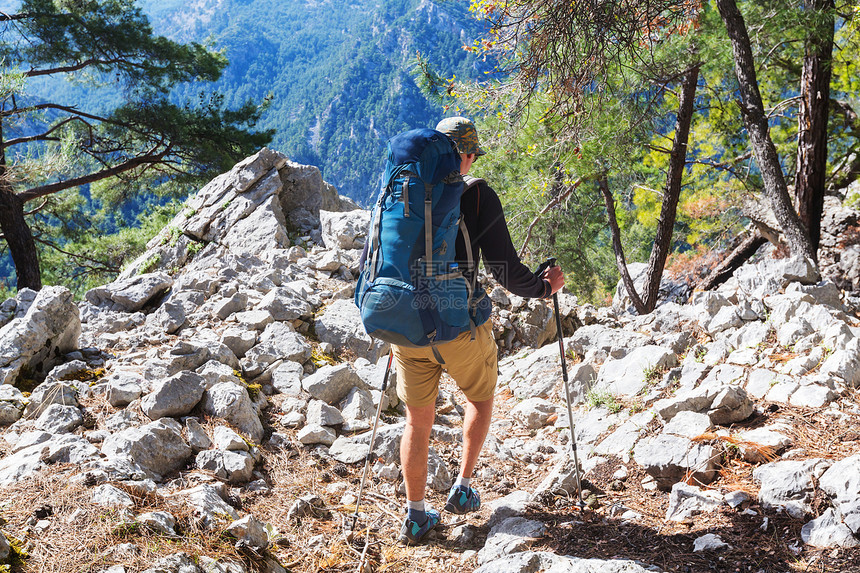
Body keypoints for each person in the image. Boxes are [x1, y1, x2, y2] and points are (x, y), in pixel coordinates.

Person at [396, 117, 564, 544]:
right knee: (480, 396)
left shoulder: (401, 189)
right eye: (471, 155)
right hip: (458, 324)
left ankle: (416, 515)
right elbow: (505, 269)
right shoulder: (476, 195)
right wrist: (544, 287)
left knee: (417, 420)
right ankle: (463, 488)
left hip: (406, 324)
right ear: (465, 155)